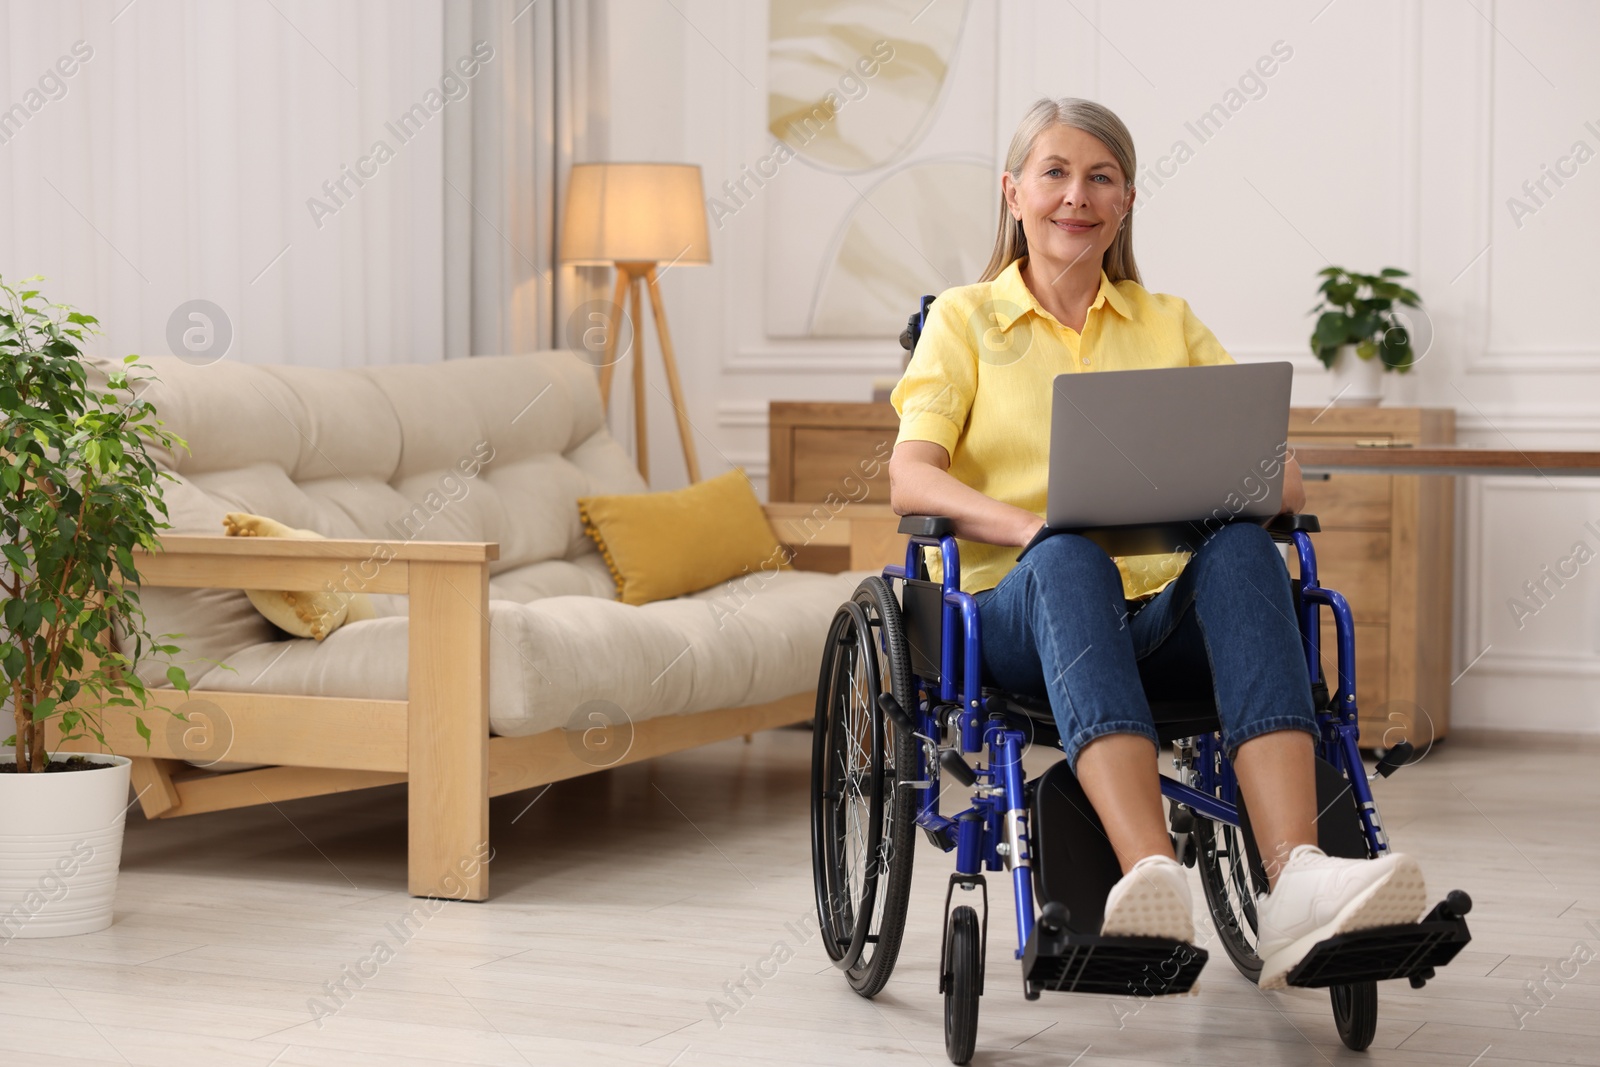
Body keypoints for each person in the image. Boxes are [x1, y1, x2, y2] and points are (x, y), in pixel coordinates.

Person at [887, 98, 1426, 989]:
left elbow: (1282, 483)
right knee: (1068, 557)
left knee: (1249, 550)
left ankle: (1293, 876)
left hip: (1161, 617)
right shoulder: (964, 320)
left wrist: (1213, 489)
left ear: (1127, 201)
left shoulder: (1167, 322)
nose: (1077, 195)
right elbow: (912, 477)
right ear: (1013, 193)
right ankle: (1149, 874)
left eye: (1101, 177)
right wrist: (1033, 527)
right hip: (1023, 614)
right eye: (1055, 173)